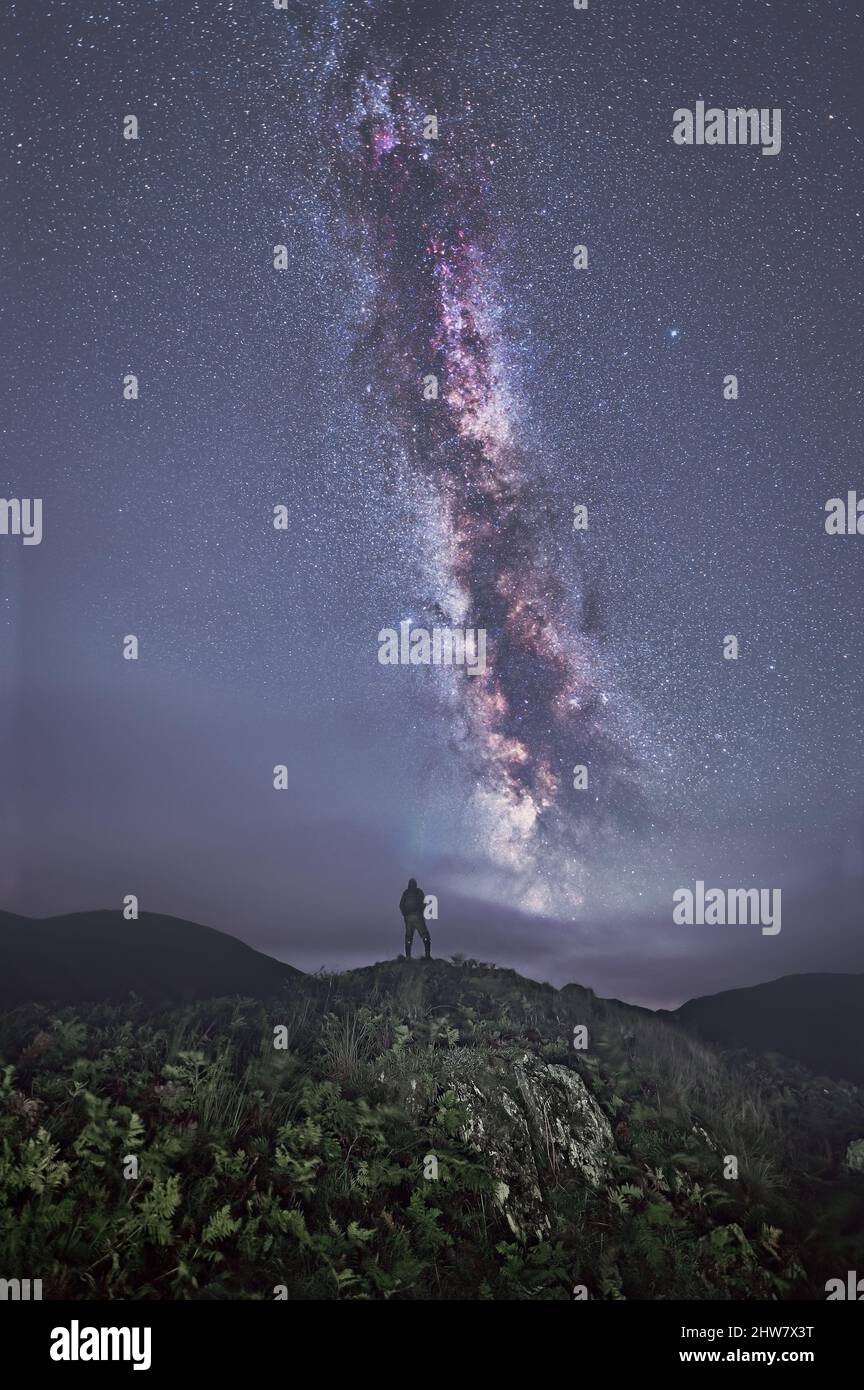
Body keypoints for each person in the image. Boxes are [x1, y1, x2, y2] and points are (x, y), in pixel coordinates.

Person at [399, 877, 431, 960]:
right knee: (425, 935)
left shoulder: (405, 892)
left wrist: (405, 914)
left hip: (408, 918)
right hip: (417, 916)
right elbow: (424, 904)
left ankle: (408, 957)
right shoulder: (419, 891)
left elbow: (401, 905)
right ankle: (427, 955)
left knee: (408, 937)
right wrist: (420, 912)